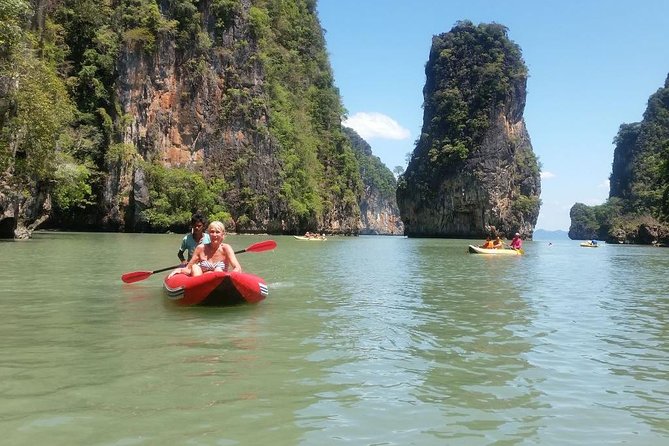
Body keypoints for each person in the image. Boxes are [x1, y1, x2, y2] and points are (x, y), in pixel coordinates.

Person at [170, 221, 241, 278]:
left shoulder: (226, 248)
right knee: (195, 267)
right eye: (212, 232)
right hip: (202, 282)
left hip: (220, 282)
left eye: (217, 232)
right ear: (208, 234)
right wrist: (180, 270)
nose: (214, 235)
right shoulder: (200, 248)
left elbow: (237, 268)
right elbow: (188, 269)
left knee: (218, 270)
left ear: (223, 234)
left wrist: (230, 276)